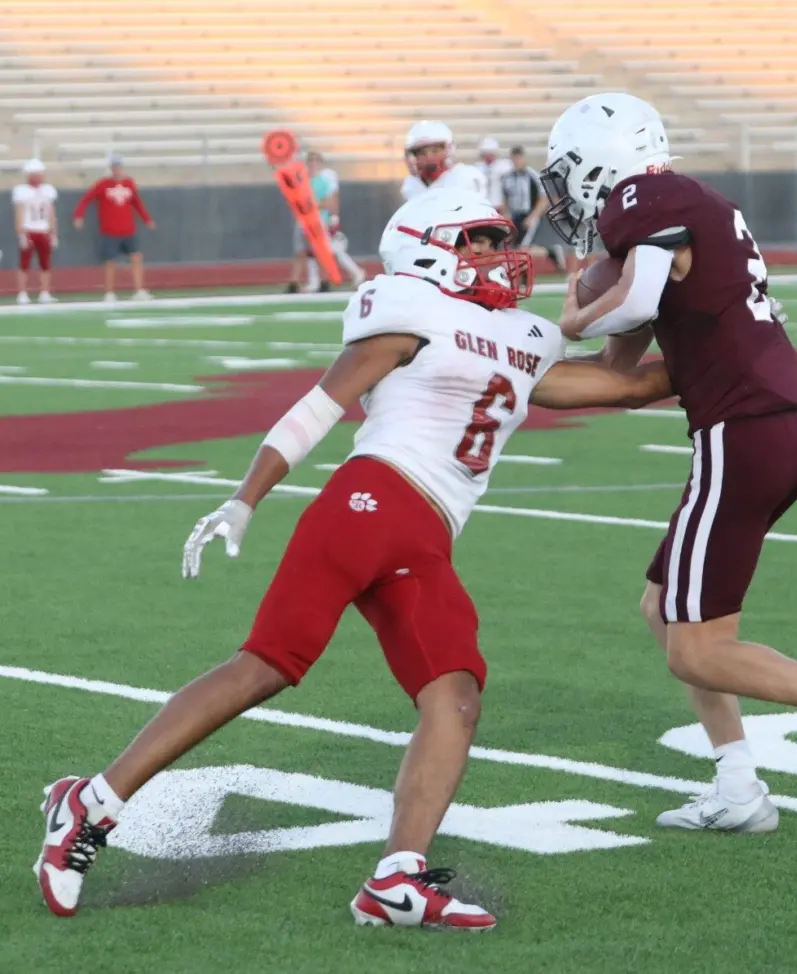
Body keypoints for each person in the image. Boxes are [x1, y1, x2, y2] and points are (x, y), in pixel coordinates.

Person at [33, 188, 671, 927]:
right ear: (428, 251)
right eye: (478, 240)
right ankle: (92, 803)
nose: (497, 254)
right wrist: (246, 497)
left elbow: (630, 385)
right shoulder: (409, 312)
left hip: (427, 537)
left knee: (456, 696)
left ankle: (398, 878)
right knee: (268, 663)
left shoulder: (523, 337)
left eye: (499, 240)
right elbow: (319, 406)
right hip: (369, 501)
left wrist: (731, 346)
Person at [541, 92, 797, 834]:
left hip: (739, 434)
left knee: (696, 648)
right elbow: (618, 376)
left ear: (601, 163)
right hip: (763, 431)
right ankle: (738, 786)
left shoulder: (645, 196)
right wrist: (510, 372)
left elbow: (630, 305)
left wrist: (571, 318)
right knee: (662, 607)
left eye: (567, 175)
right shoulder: (681, 215)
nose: (566, 196)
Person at [72, 155, 155, 302]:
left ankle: (139, 290)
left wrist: (147, 219)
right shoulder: (103, 185)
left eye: (119, 167)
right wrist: (79, 215)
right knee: (110, 262)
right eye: (114, 167)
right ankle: (109, 292)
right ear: (111, 169)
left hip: (128, 229)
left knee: (136, 257)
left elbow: (137, 203)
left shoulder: (129, 183)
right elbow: (86, 199)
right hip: (110, 231)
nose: (117, 170)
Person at [286, 151, 365, 294]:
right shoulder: (302, 180)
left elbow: (330, 202)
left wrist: (330, 217)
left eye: (316, 161)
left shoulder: (324, 180)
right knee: (304, 252)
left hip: (319, 221)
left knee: (323, 252)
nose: (313, 164)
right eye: (311, 161)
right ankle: (308, 282)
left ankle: (325, 281)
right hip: (303, 222)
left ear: (321, 164)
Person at [500, 146, 566, 272]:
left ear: (523, 158)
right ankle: (551, 252)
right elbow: (506, 198)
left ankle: (524, 276)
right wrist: (505, 215)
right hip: (515, 215)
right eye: (514, 159)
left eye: (518, 158)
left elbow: (544, 198)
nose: (516, 161)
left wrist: (534, 216)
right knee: (516, 247)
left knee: (523, 247)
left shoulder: (533, 176)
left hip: (529, 214)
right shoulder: (508, 177)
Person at [400, 121, 487, 201]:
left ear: (448, 150)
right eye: (421, 153)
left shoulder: (465, 177)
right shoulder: (411, 185)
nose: (429, 157)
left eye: (435, 151)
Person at [12, 159, 58, 305]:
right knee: (24, 263)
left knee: (45, 263)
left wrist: (54, 233)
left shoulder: (48, 190)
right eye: (36, 173)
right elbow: (19, 213)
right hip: (29, 230)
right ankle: (22, 293)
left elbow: (51, 213)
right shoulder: (21, 191)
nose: (39, 176)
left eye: (40, 173)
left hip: (43, 231)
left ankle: (45, 292)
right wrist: (21, 233)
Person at [476, 136, 513, 208]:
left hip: (499, 204)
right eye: (485, 154)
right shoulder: (479, 167)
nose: (488, 157)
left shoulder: (504, 166)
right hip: (483, 204)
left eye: (490, 154)